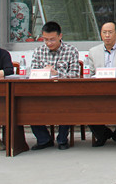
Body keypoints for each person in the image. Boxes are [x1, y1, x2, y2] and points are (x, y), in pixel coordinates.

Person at [30, 21, 80, 151]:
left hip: (64, 92)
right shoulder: (38, 51)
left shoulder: (71, 51)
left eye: (52, 39)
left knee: (67, 104)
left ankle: (62, 140)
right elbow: (33, 74)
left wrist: (56, 74)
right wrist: (44, 73)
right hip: (42, 92)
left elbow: (75, 74)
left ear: (60, 36)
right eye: (45, 39)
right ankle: (44, 139)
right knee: (27, 106)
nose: (49, 43)